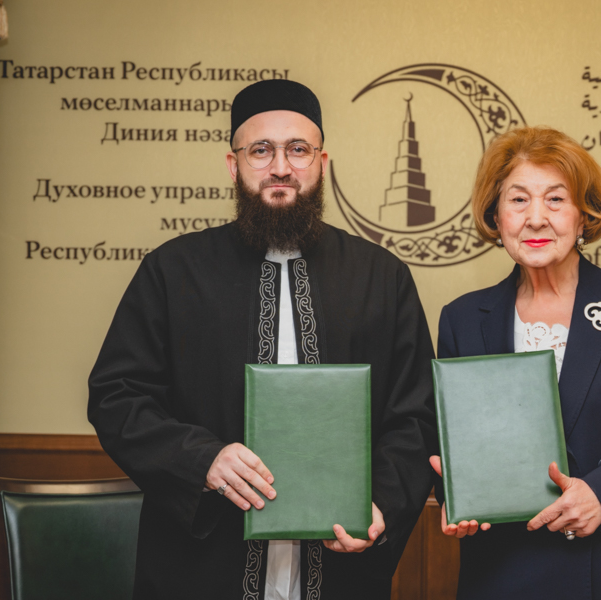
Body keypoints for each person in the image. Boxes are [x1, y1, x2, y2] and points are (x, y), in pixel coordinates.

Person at [88, 79, 436, 600]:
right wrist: (202, 459)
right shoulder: (173, 271)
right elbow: (117, 397)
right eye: (261, 150)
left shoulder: (381, 277)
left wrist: (381, 504)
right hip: (201, 567)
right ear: (234, 165)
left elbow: (415, 417)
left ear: (321, 163)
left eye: (298, 149)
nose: (280, 167)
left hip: (340, 566)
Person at [431, 126, 601, 599]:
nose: (535, 218)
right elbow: (458, 446)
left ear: (584, 215)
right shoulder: (462, 318)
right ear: (496, 217)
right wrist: (455, 497)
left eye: (556, 200)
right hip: (506, 572)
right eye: (518, 200)